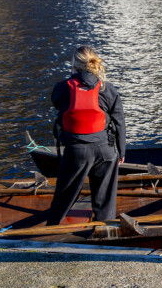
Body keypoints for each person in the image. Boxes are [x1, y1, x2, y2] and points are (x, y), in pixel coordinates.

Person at [47, 46, 125, 226]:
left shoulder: (62, 88)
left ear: (74, 65)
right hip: (106, 150)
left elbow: (58, 105)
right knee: (105, 200)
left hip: (77, 151)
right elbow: (119, 122)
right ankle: (105, 234)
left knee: (64, 196)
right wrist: (121, 152)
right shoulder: (108, 89)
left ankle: (51, 230)